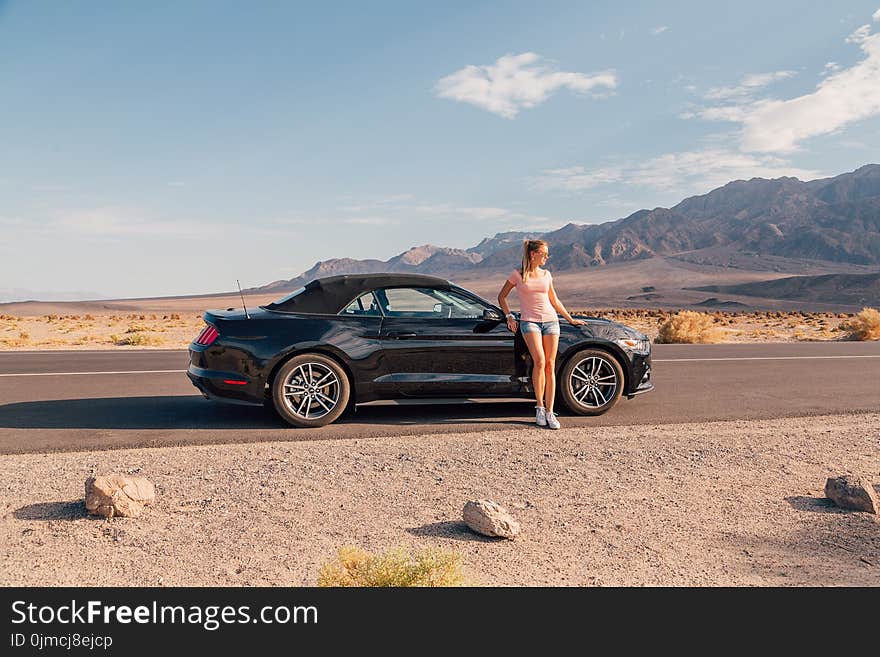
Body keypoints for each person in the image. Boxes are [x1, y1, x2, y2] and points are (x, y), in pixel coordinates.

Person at [497, 239, 585, 429]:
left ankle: (550, 412)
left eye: (547, 254)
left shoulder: (547, 275)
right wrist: (509, 316)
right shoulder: (518, 275)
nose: (547, 257)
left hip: (551, 322)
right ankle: (539, 406)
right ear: (532, 254)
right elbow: (501, 296)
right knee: (540, 361)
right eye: (544, 253)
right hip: (530, 323)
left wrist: (570, 319)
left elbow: (554, 300)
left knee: (550, 364)